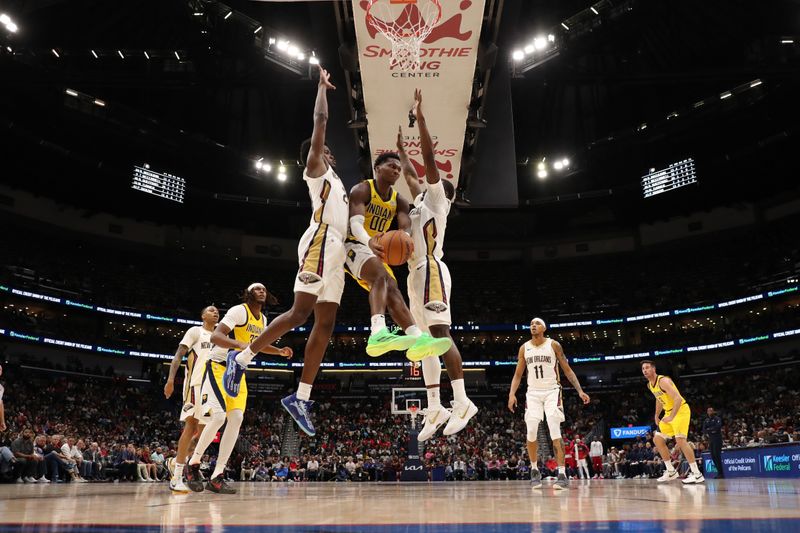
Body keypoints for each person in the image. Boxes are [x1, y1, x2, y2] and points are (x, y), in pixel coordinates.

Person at [225, 65, 348, 438]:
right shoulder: (315, 169)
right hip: (320, 240)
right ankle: (241, 357)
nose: (327, 150)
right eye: (322, 148)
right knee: (300, 312)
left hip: (338, 250)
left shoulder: (338, 181)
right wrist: (322, 89)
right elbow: (320, 121)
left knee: (325, 325)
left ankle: (301, 396)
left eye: (326, 150)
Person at [399, 89, 477, 441]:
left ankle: (462, 400)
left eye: (435, 183)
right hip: (413, 274)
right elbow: (413, 176)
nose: (429, 182)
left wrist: (422, 119)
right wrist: (401, 151)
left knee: (440, 334)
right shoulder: (420, 200)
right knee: (421, 344)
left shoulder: (438, 201)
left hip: (431, 269)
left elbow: (428, 162)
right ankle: (434, 406)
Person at [186, 284, 290, 494]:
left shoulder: (262, 320)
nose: (262, 291)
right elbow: (216, 337)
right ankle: (193, 464)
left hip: (238, 371)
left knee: (236, 419)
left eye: (264, 289)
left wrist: (278, 351)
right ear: (249, 293)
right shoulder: (238, 311)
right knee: (218, 418)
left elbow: (258, 344)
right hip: (217, 366)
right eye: (258, 289)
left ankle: (217, 475)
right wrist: (241, 345)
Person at [507, 317, 590, 490]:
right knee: (530, 430)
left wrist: (580, 390)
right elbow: (517, 374)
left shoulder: (553, 345)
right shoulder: (524, 348)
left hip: (552, 391)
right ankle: (535, 470)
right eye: (531, 324)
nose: (533, 326)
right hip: (533, 393)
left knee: (554, 429)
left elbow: (567, 369)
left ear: (544, 328)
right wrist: (512, 394)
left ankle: (561, 473)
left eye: (537, 324)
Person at [164, 305, 219, 493]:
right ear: (203, 315)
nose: (216, 312)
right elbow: (179, 354)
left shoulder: (220, 336)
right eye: (211, 310)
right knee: (191, 426)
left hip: (212, 388)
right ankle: (177, 477)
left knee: (206, 433)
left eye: (217, 310)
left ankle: (177, 461)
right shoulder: (196, 331)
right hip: (196, 384)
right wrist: (170, 380)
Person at [641, 360, 705, 484]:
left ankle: (697, 474)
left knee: (680, 441)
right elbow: (659, 399)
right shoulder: (650, 384)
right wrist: (656, 414)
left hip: (680, 410)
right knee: (657, 439)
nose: (645, 370)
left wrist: (671, 417)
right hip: (669, 412)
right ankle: (671, 471)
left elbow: (678, 398)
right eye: (643, 369)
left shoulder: (663, 381)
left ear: (654, 369)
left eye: (647, 368)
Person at [702, 406, 724, 478]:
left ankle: (721, 473)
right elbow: (704, 430)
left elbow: (718, 427)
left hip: (717, 439)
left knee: (717, 455)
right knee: (713, 456)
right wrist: (711, 430)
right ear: (707, 412)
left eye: (711, 411)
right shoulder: (706, 420)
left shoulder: (717, 419)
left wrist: (710, 430)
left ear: (713, 412)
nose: (710, 412)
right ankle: (718, 473)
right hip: (710, 440)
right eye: (709, 411)